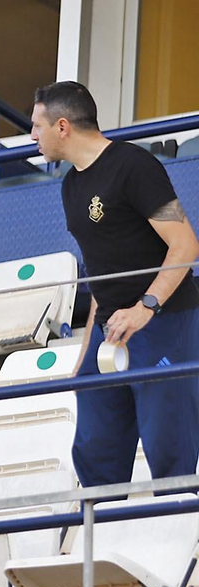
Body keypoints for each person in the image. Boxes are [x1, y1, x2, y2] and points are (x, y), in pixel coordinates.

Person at [31, 80, 199, 487]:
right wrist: (85, 353)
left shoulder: (134, 166)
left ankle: (174, 541)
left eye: (37, 126)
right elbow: (99, 274)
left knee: (169, 451)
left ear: (63, 127)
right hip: (110, 331)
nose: (32, 136)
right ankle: (101, 537)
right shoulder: (71, 185)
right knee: (96, 449)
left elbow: (185, 244)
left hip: (166, 323)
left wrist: (145, 309)